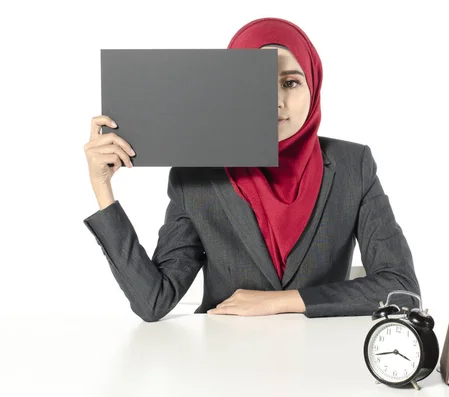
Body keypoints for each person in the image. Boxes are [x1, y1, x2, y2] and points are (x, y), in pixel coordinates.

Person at [83, 17, 420, 322]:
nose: (275, 102)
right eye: (257, 85)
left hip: (319, 361)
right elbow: (153, 301)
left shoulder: (353, 166)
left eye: (290, 83)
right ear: (231, 90)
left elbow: (401, 287)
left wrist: (281, 301)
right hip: (225, 363)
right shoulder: (197, 175)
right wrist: (103, 189)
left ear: (313, 87)